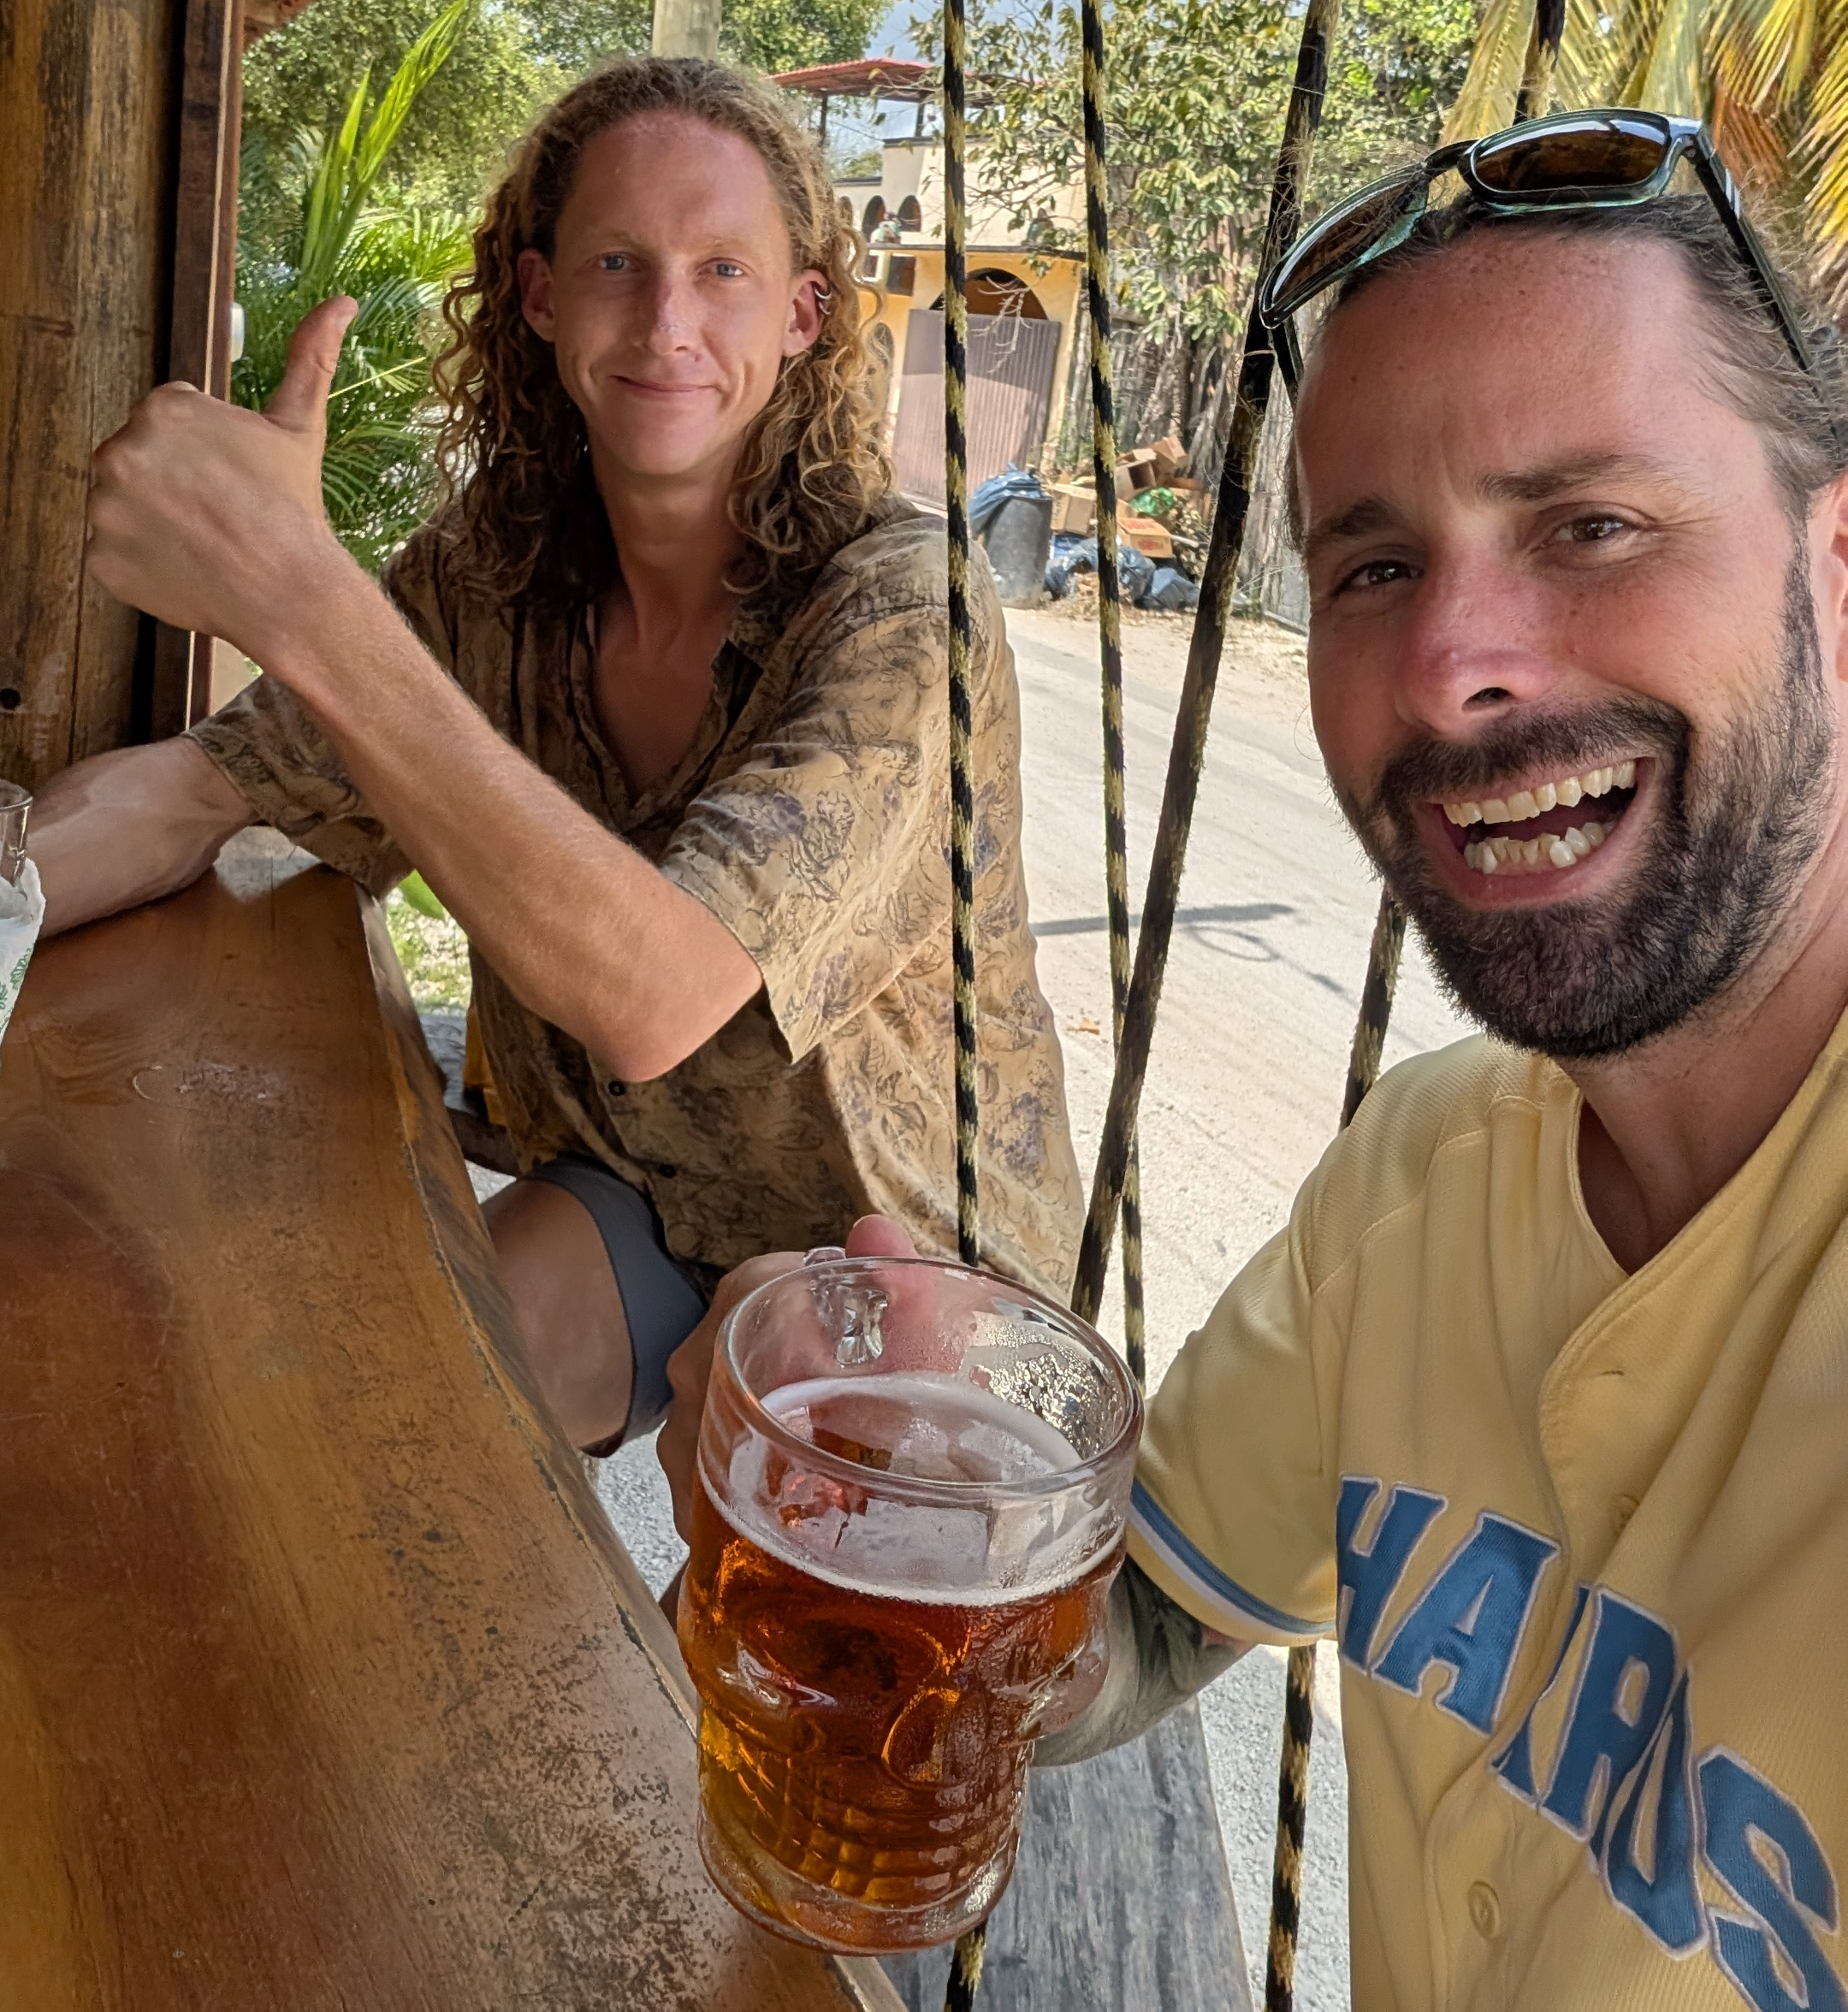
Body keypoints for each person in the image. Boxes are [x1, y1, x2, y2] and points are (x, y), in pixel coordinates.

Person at [660, 117, 1848, 2009]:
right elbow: (1139, 1632)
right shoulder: (1427, 1174)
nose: (1455, 657)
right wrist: (937, 1531)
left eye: (1593, 525)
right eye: (1371, 564)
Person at [48, 56, 1081, 1456]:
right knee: (349, 1426)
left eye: (723, 269)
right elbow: (191, 789)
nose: (667, 321)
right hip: (642, 1206)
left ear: (801, 316)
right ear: (539, 298)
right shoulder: (494, 574)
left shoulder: (906, 607)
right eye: (616, 261)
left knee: (719, 1660)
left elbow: (657, 995)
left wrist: (301, 601)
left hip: (913, 1297)